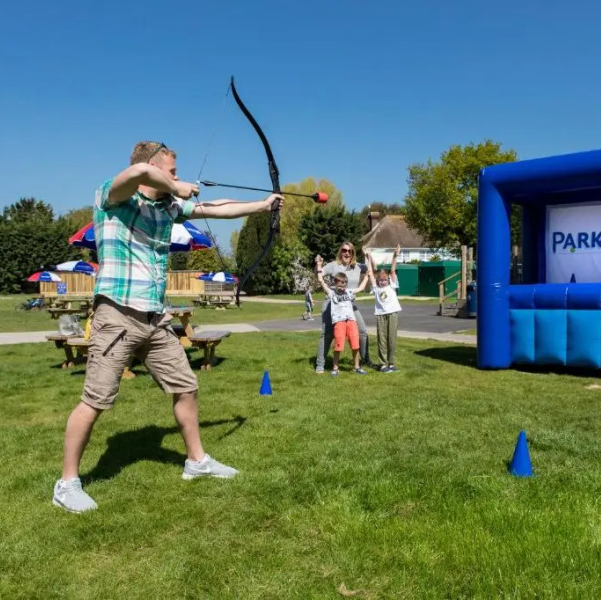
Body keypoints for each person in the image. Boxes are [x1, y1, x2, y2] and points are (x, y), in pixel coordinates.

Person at [52, 141, 284, 513]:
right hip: (117, 315)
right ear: (154, 168)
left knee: (186, 386)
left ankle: (196, 461)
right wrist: (174, 185)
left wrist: (262, 205)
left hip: (156, 318)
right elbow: (138, 174)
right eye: (171, 171)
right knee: (95, 399)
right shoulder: (112, 198)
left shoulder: (167, 208)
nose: (177, 177)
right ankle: (67, 483)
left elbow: (215, 208)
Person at [313, 241, 371, 373]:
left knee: (362, 331)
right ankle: (320, 364)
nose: (346, 253)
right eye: (344, 250)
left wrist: (368, 256)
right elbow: (319, 275)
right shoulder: (334, 265)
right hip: (332, 304)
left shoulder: (357, 267)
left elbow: (371, 269)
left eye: (349, 251)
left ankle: (365, 360)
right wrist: (318, 264)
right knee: (327, 334)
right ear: (340, 252)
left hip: (350, 305)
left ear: (353, 253)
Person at [364, 245, 403, 373]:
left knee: (391, 338)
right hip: (380, 314)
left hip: (392, 314)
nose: (382, 282)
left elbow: (392, 270)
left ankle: (391, 363)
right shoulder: (375, 288)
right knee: (382, 339)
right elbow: (370, 272)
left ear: (388, 279)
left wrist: (395, 256)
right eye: (380, 280)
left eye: (384, 279)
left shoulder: (392, 284)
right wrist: (368, 256)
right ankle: (383, 364)